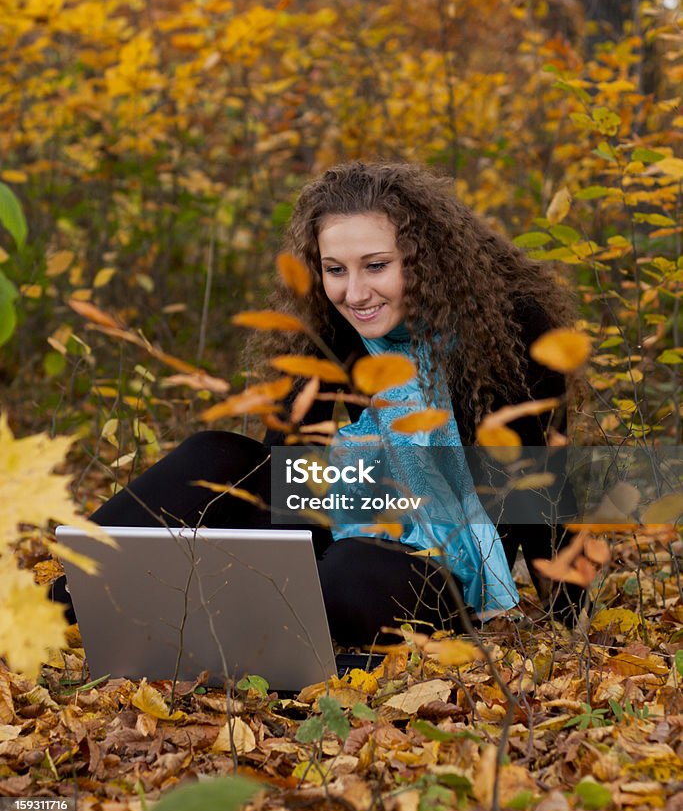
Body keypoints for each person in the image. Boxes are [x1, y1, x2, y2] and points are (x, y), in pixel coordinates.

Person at [51, 160, 582, 645]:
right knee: (214, 453)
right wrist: (275, 562)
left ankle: (258, 621)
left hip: (439, 558)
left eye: (376, 266)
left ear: (427, 261)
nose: (354, 293)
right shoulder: (331, 324)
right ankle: (50, 610)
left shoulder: (512, 329)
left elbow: (539, 489)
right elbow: (290, 469)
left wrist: (569, 624)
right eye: (335, 269)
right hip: (348, 510)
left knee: (347, 568)